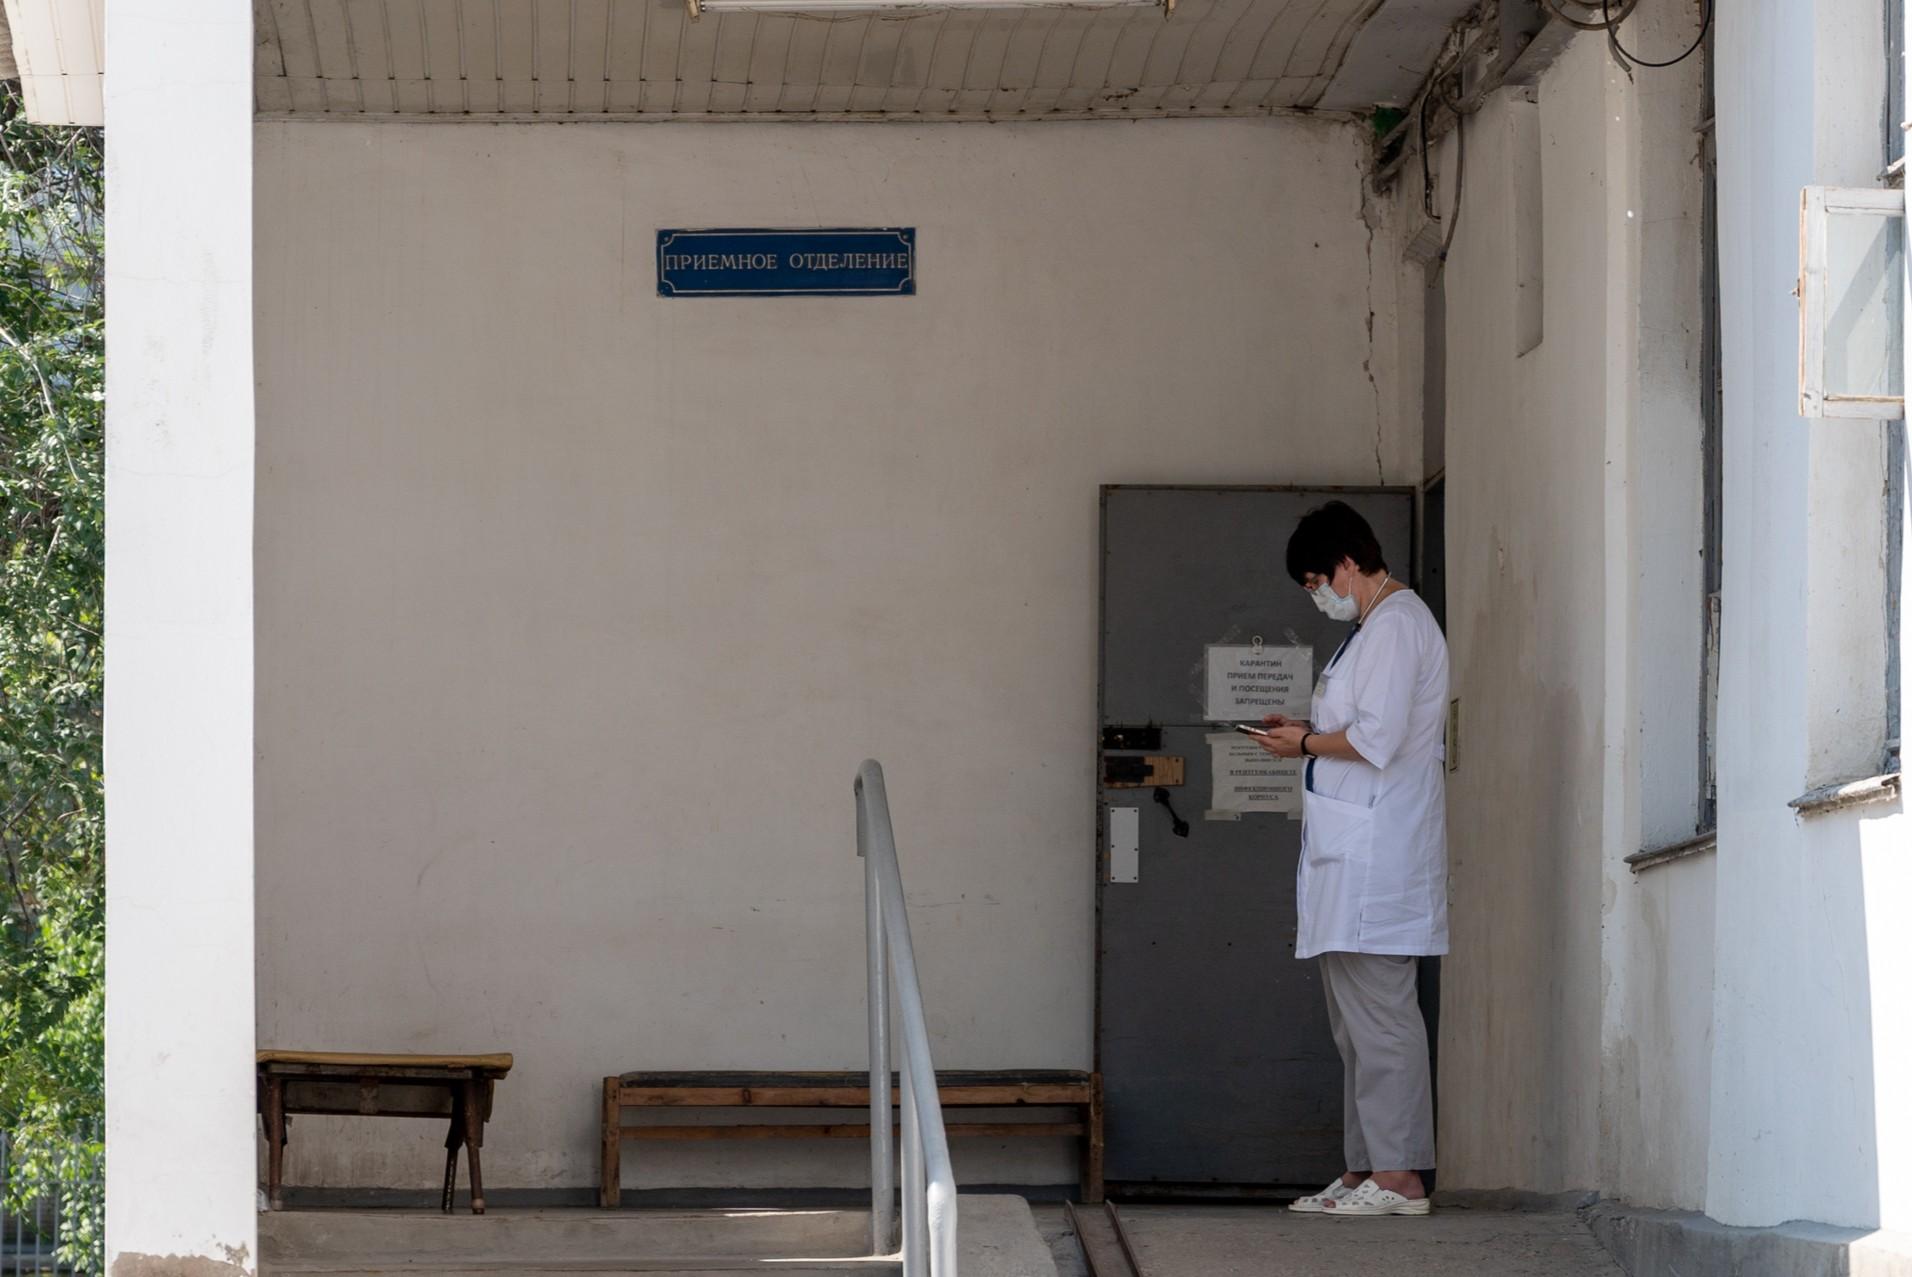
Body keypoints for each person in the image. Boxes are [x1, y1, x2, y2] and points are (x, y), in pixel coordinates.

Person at [1252, 500, 1449, 1220]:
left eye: (1316, 581)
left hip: (1381, 857)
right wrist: (1306, 729)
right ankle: (1364, 1165)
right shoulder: (1370, 629)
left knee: (1383, 1022)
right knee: (1355, 1026)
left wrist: (1304, 744)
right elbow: (1358, 724)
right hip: (1352, 854)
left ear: (1346, 562)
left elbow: (1378, 737)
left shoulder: (1397, 624)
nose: (1317, 595)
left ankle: (1399, 1177)